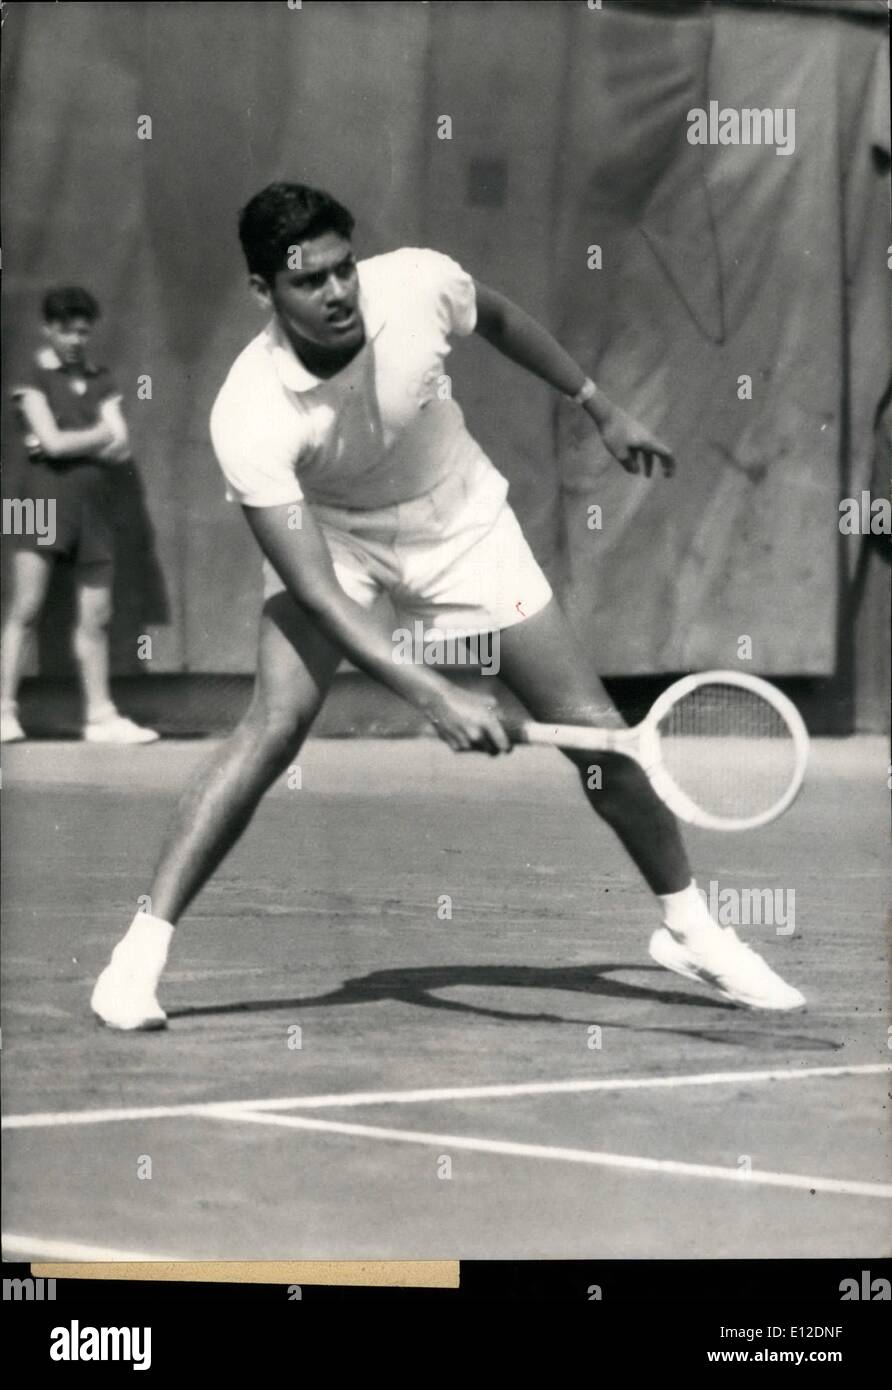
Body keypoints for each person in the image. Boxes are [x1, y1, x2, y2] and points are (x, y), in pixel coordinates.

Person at [90, 182, 804, 1030]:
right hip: (335, 536)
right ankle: (137, 958)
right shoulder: (248, 414)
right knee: (275, 724)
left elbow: (496, 319)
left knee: (598, 733)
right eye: (309, 281)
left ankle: (691, 929)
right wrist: (433, 690)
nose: (337, 292)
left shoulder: (419, 284)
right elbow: (316, 593)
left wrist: (598, 406)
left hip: (460, 519)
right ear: (263, 293)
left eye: (343, 268)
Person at [1, 287, 158, 745]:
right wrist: (96, 435)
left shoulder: (102, 377)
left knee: (98, 615)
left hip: (93, 506)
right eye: (65, 330)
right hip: (30, 502)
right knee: (24, 609)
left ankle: (100, 716)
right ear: (48, 329)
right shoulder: (29, 373)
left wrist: (68, 440)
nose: (75, 339)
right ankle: (3, 711)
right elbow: (51, 443)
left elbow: (122, 443)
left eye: (82, 331)